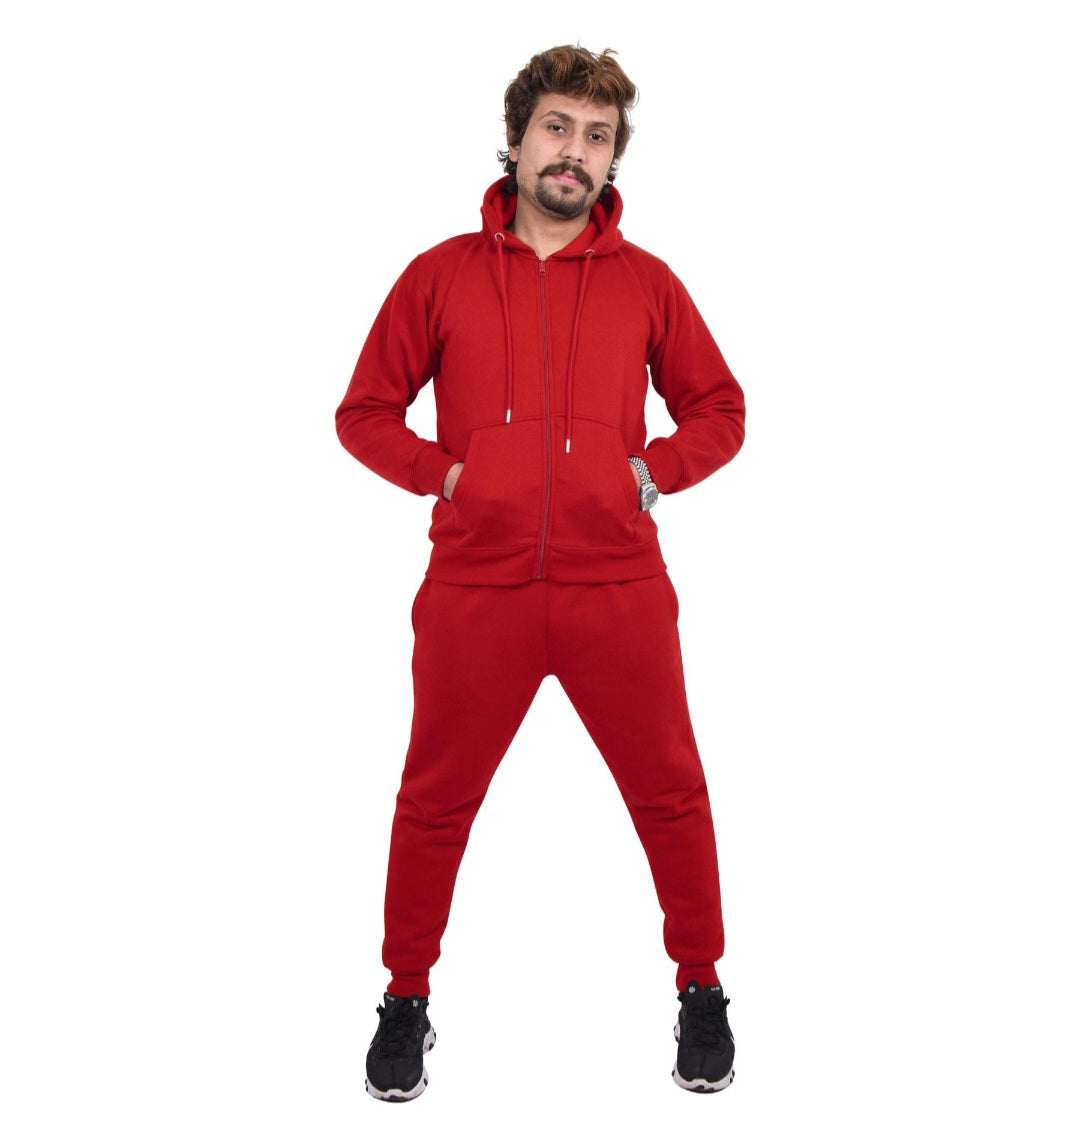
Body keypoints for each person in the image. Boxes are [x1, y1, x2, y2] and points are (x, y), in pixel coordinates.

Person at [336, 45, 745, 1101]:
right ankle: (405, 996)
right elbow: (364, 413)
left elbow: (720, 409)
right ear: (517, 140)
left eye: (597, 137)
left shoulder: (648, 284)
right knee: (434, 801)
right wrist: (450, 476)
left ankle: (702, 985)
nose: (575, 152)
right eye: (558, 128)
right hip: (476, 592)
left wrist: (649, 473)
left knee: (671, 794)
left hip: (619, 591)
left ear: (612, 160)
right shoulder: (439, 275)